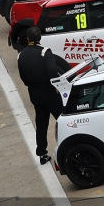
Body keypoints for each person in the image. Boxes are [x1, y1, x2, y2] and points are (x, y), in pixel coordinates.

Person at [17, 26, 72, 164]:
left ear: (28, 39)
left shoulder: (21, 56)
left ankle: (42, 153)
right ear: (40, 38)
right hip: (49, 92)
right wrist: (55, 86)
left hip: (35, 94)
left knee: (41, 124)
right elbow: (52, 71)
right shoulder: (45, 52)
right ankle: (70, 144)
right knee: (62, 119)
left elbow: (23, 78)